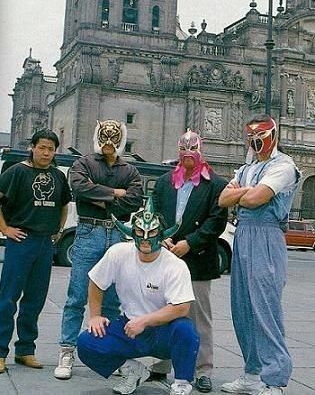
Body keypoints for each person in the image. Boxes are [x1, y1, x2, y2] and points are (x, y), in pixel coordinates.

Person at [77, 196, 200, 395]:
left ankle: (182, 383)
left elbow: (181, 307)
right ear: (131, 232)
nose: (145, 238)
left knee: (187, 331)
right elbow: (96, 281)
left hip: (163, 331)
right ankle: (132, 370)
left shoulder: (176, 265)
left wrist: (144, 321)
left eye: (151, 232)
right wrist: (95, 315)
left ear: (161, 235)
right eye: (139, 232)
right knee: (86, 342)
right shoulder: (118, 253)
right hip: (128, 327)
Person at [54, 119, 143, 379]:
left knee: (113, 299)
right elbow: (79, 188)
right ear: (98, 136)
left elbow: (135, 199)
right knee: (77, 295)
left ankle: (108, 353)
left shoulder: (130, 169)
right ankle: (67, 350)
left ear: (121, 139)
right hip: (88, 232)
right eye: (105, 136)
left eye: (114, 137)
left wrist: (101, 197)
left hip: (117, 234)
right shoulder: (84, 163)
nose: (109, 142)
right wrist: (116, 193)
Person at [218, 115, 301, 395]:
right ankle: (252, 373)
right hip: (243, 234)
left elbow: (255, 199)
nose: (255, 141)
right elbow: (222, 199)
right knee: (242, 309)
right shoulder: (246, 168)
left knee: (265, 308)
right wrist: (248, 192)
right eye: (251, 137)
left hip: (266, 234)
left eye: (261, 136)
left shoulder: (284, 166)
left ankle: (274, 379)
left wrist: (241, 194)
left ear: (272, 136)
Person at [151, 129, 228, 393]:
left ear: (200, 152)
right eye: (183, 152)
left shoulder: (216, 185)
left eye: (192, 152)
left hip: (198, 259)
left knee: (199, 318)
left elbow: (216, 222)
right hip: (166, 257)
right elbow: (156, 214)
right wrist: (162, 237)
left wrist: (190, 243)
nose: (187, 157)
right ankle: (160, 366)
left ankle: (203, 370)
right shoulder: (163, 183)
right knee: (162, 313)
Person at [0, 129, 72, 373]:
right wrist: (5, 229)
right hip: (21, 240)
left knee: (34, 300)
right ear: (32, 147)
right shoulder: (16, 172)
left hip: (44, 243)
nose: (46, 152)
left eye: (51, 149)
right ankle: (0, 352)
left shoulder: (58, 176)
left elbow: (64, 204)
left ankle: (25, 350)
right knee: (8, 298)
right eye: (41, 147)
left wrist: (59, 230)